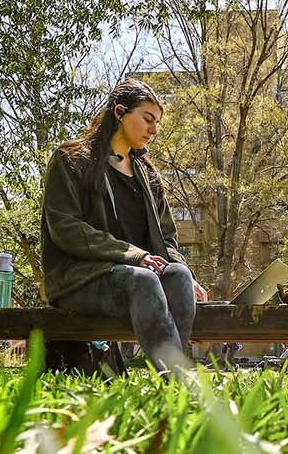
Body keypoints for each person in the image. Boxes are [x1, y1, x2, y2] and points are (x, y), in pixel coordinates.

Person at [41, 78, 207, 375]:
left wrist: (185, 274)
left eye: (157, 122)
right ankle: (180, 379)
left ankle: (171, 384)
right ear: (119, 112)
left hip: (135, 278)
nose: (154, 130)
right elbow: (66, 228)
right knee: (142, 279)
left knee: (179, 275)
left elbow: (167, 237)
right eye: (147, 119)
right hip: (80, 279)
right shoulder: (72, 159)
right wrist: (135, 256)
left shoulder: (148, 175)